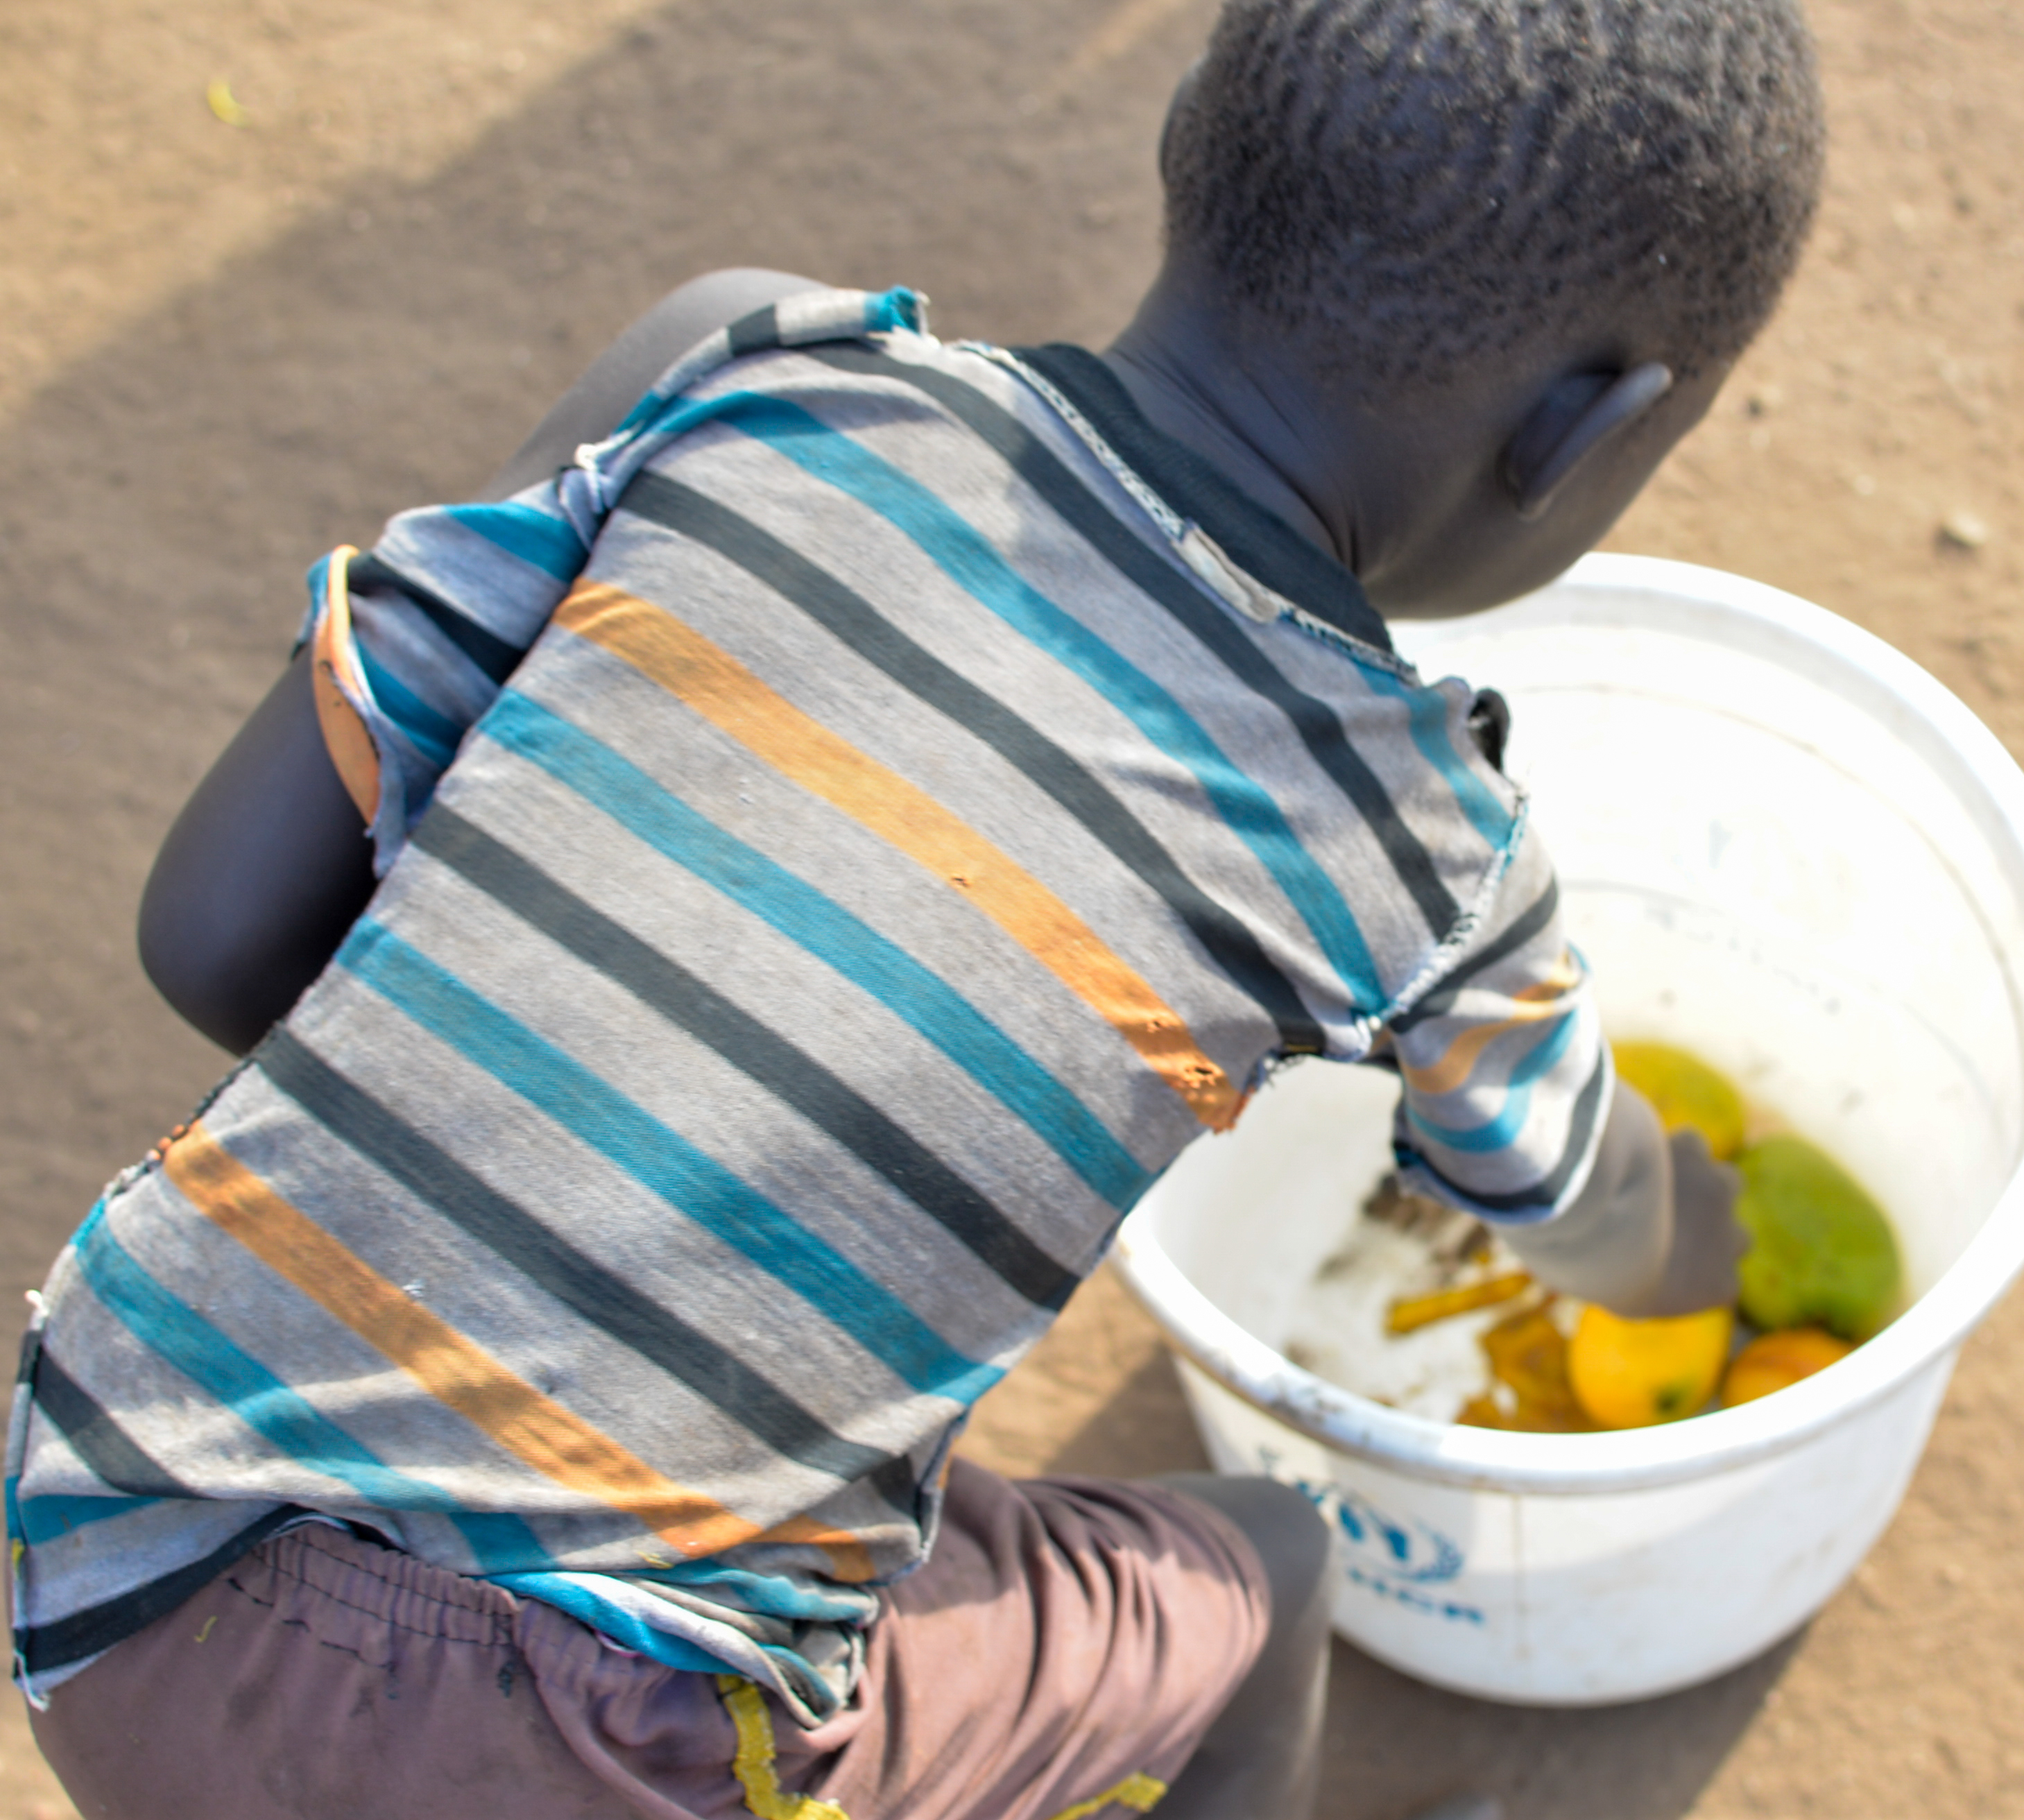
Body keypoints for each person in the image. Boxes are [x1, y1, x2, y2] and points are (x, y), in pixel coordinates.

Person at [8, 0, 1823, 1814]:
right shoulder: (1420, 841)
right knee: (1263, 1583)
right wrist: (1705, 1241)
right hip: (579, 1750)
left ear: (1188, 125)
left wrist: (598, 1139)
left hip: (117, 1522)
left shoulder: (747, 369)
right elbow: (1588, 1220)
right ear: (1596, 427)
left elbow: (218, 932)